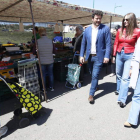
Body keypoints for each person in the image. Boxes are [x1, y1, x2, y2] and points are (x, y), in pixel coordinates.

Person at [80, 10, 111, 104]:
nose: (98, 20)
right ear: (92, 19)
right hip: (89, 56)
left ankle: (91, 94)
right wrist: (81, 55)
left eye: (100, 18)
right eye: (96, 18)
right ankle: (96, 86)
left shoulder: (105, 29)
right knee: (91, 73)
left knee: (95, 75)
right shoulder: (87, 30)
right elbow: (83, 44)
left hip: (99, 56)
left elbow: (108, 44)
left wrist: (106, 56)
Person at [113, 13, 140, 107]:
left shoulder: (137, 31)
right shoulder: (120, 30)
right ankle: (120, 91)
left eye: (127, 20)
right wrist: (113, 55)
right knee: (118, 74)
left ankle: (122, 99)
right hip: (119, 54)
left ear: (132, 20)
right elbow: (116, 43)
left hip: (130, 55)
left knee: (125, 78)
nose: (125, 21)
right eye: (124, 20)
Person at [124, 37, 140, 127]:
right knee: (137, 94)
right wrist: (131, 67)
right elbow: (135, 54)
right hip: (138, 69)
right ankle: (132, 119)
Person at [37, 27, 54, 91]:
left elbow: (34, 51)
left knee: (43, 75)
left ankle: (44, 89)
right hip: (50, 60)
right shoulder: (50, 41)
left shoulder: (38, 41)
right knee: (50, 74)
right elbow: (54, 51)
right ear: (46, 33)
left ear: (39, 34)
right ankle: (51, 87)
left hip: (42, 61)